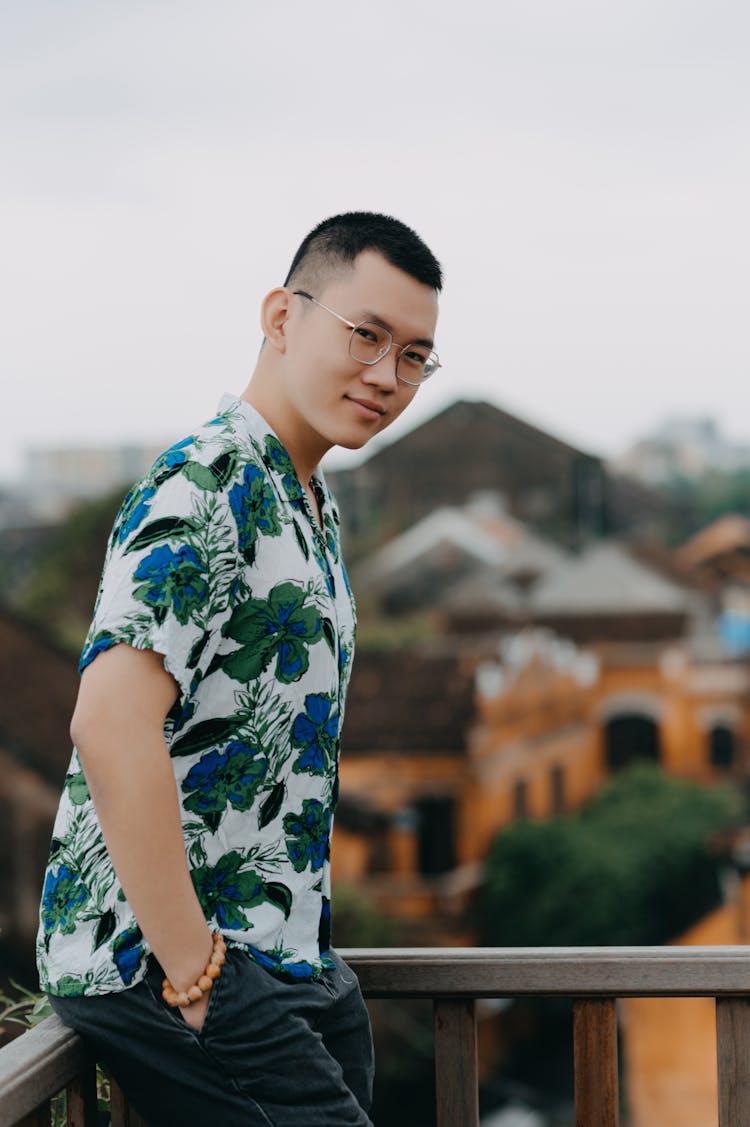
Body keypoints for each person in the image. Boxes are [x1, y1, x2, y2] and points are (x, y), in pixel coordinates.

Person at [37, 211, 443, 1126]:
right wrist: (193, 968)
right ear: (282, 316)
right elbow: (108, 722)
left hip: (285, 952)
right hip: (164, 959)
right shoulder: (205, 481)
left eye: (414, 355)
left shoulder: (305, 499)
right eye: (366, 335)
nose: (387, 375)